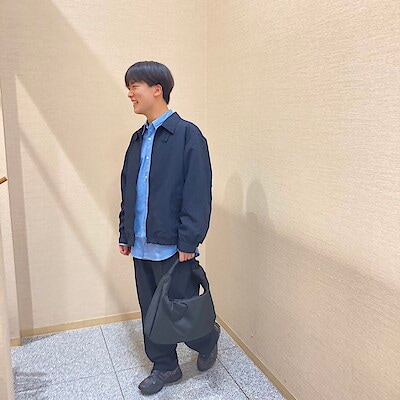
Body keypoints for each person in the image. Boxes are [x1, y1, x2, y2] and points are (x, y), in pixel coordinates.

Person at [118, 61, 220, 395]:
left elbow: (197, 193)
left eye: (135, 86)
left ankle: (207, 339)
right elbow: (129, 190)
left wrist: (189, 240)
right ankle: (165, 366)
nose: (130, 93)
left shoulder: (187, 135)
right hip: (141, 244)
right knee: (151, 311)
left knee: (182, 311)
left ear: (157, 89)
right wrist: (125, 232)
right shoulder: (137, 139)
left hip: (174, 246)